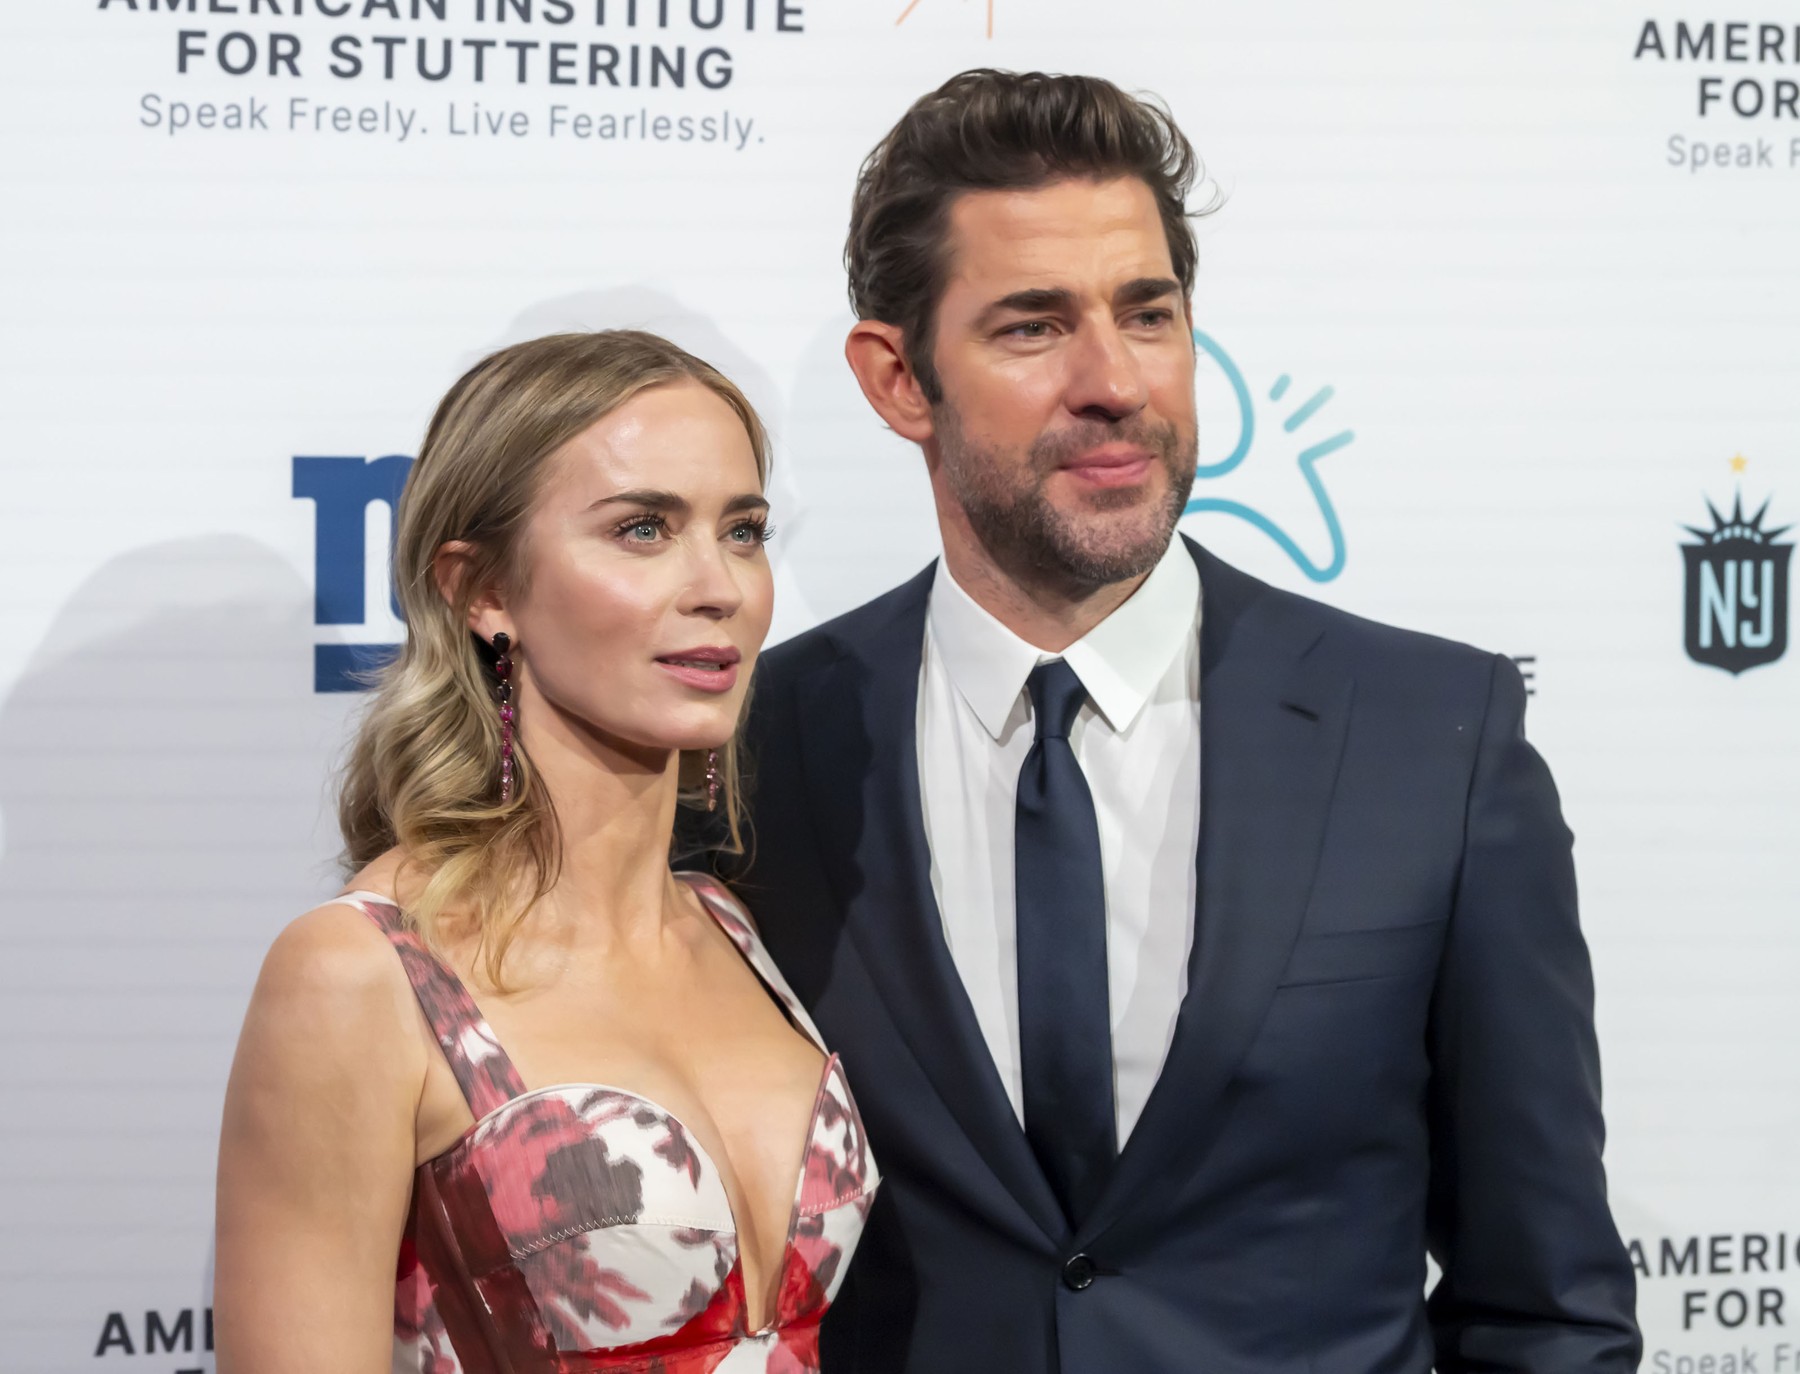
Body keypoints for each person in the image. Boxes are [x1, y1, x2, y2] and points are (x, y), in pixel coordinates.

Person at [725, 70, 1641, 1372]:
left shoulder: (1433, 739)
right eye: (1034, 327)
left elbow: (1546, 1304)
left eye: (1147, 312)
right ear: (898, 379)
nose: (1115, 382)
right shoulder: (751, 753)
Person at [214, 331, 878, 1373]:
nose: (721, 587)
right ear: (482, 590)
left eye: (742, 531)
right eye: (643, 528)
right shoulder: (361, 976)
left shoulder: (732, 930)